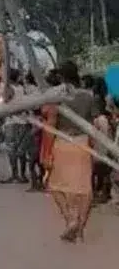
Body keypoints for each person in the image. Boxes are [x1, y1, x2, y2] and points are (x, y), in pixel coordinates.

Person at [45, 61, 97, 243]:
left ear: (60, 76)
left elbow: (51, 124)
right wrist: (94, 148)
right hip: (82, 143)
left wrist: (46, 152)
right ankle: (81, 226)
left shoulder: (56, 96)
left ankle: (70, 220)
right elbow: (93, 125)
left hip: (63, 143)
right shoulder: (88, 96)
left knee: (56, 186)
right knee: (84, 187)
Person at [1, 69, 30, 184]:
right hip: (22, 121)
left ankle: (15, 174)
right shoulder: (22, 89)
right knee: (21, 150)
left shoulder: (9, 89)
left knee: (11, 149)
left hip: (11, 121)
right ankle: (22, 175)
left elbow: (6, 103)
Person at [91, 77, 113, 204]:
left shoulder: (96, 99)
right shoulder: (108, 97)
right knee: (105, 167)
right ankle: (105, 192)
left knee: (98, 166)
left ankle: (101, 193)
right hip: (108, 132)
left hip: (100, 131)